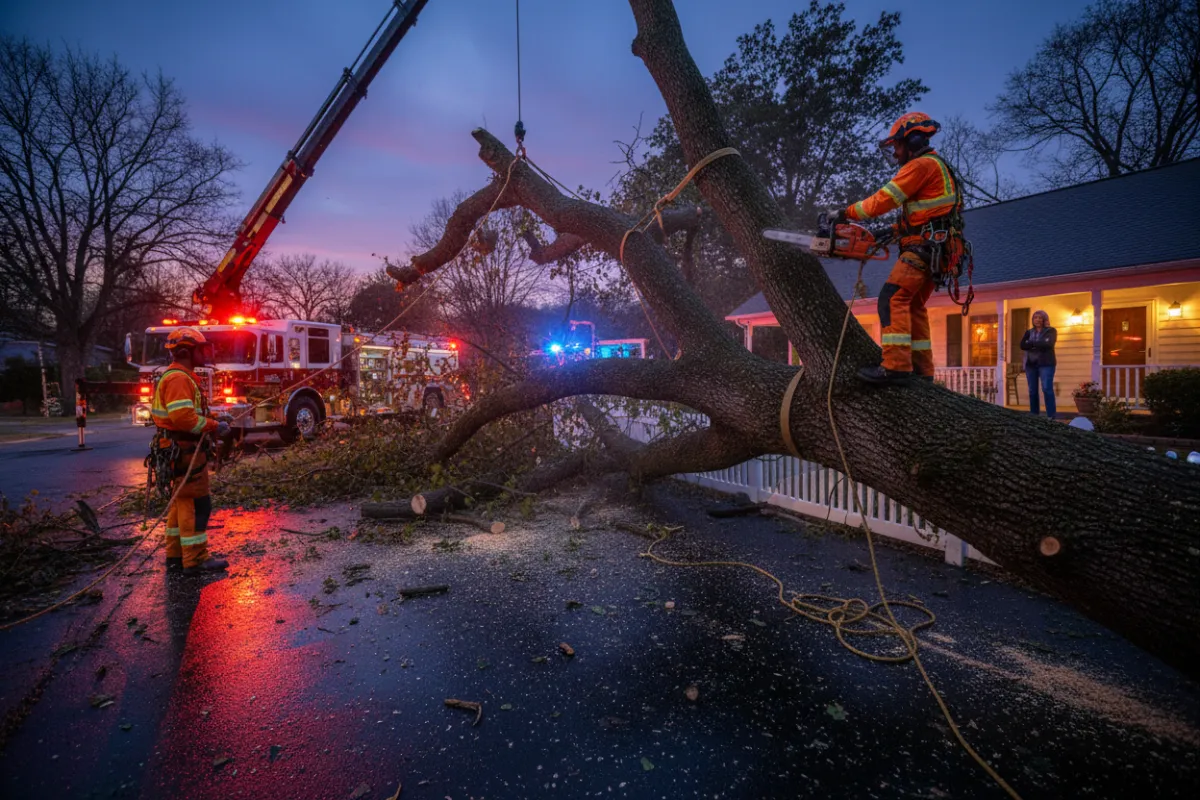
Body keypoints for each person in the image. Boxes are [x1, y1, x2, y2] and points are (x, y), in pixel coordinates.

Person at [839, 112, 964, 385]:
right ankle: (923, 370)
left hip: (926, 248)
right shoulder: (936, 167)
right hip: (937, 247)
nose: (895, 153)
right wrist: (893, 231)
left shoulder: (921, 166)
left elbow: (882, 201)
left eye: (897, 146)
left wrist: (845, 212)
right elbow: (929, 216)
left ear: (914, 140)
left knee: (891, 298)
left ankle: (895, 367)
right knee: (913, 305)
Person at [151, 327, 230, 576]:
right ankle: (195, 559)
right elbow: (184, 418)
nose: (205, 353)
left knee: (181, 503)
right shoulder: (178, 379)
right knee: (196, 503)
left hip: (179, 448)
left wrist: (214, 417)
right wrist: (215, 426)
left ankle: (176, 556)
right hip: (183, 449)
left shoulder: (180, 376)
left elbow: (187, 414)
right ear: (186, 351)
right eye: (201, 349)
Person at [1020, 310, 1058, 419]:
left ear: (1044, 319)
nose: (1037, 320)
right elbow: (1022, 345)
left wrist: (1031, 344)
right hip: (1031, 365)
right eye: (1035, 317)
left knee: (1047, 389)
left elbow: (1048, 343)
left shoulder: (1051, 331)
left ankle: (1051, 416)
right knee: (1032, 391)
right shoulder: (1029, 332)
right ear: (1033, 320)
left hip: (1046, 364)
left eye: (1040, 317)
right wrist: (1039, 344)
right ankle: (1034, 416)